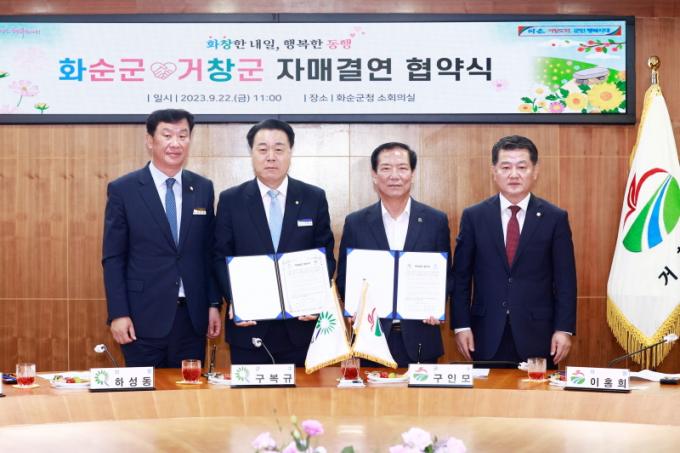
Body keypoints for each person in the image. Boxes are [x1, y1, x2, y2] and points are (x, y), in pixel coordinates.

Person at [102, 109, 221, 367]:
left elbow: (208, 252)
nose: (175, 143)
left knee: (189, 389)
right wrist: (118, 313)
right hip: (141, 318)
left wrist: (213, 303)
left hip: (192, 318)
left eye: (182, 136)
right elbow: (113, 258)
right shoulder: (124, 190)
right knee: (144, 390)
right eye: (167, 135)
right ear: (150, 140)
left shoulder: (203, 188)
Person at [214, 119, 335, 366]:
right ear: (252, 153)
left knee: (304, 393)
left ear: (290, 152)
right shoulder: (231, 200)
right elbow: (219, 257)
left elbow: (325, 255)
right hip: (249, 326)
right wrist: (236, 298)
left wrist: (314, 298)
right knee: (250, 392)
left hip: (301, 328)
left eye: (279, 149)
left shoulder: (313, 197)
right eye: (263, 149)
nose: (271, 157)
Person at [452, 135, 577, 368]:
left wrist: (564, 328)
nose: (514, 174)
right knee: (487, 392)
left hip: (539, 334)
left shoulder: (554, 218)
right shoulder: (474, 217)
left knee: (537, 393)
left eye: (522, 167)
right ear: (494, 171)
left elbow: (565, 280)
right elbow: (460, 278)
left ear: (535, 171)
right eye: (506, 167)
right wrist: (461, 325)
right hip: (484, 333)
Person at [337, 142, 451, 367]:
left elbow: (446, 275)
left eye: (402, 168)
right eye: (386, 168)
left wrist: (436, 305)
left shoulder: (435, 221)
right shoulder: (356, 223)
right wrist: (354, 306)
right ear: (374, 175)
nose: (394, 176)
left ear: (413, 174)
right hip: (371, 338)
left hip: (421, 336)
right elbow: (344, 277)